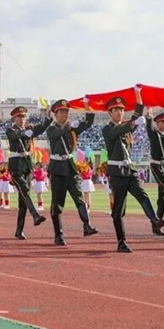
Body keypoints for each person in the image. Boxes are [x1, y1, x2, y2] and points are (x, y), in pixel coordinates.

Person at [103, 88, 164, 253]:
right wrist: (133, 123)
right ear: (110, 112)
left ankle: (155, 219)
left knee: (142, 194)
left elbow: (137, 114)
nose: (120, 112)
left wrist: (138, 95)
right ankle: (121, 241)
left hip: (129, 169)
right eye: (116, 110)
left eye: (122, 110)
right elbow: (119, 130)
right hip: (117, 172)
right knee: (118, 210)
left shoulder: (126, 126)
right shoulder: (107, 129)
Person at [46, 98, 98, 247]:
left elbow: (88, 122)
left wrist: (87, 104)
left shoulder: (72, 128)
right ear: (55, 114)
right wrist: (69, 127)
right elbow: (57, 135)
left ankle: (87, 225)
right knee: (57, 203)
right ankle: (58, 234)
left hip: (70, 166)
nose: (64, 114)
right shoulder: (51, 129)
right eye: (61, 112)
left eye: (66, 112)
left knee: (79, 198)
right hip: (57, 168)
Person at [6, 106, 50, 239]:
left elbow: (41, 128)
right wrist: (27, 132)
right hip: (16, 164)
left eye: (24, 117)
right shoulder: (11, 130)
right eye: (19, 117)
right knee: (24, 189)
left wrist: (48, 118)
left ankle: (19, 231)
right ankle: (35, 215)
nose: (22, 119)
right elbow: (15, 136)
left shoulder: (28, 129)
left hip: (27, 164)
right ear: (14, 118)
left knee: (23, 199)